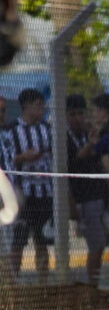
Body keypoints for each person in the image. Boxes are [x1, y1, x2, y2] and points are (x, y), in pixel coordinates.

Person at [1, 88, 52, 282]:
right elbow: (6, 160)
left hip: (44, 193)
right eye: (38, 105)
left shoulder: (47, 129)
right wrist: (23, 157)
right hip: (23, 193)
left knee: (42, 240)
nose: (42, 108)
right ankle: (14, 281)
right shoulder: (10, 130)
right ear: (26, 106)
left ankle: (44, 283)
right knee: (19, 239)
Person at [66, 94, 109, 285]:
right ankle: (90, 284)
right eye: (73, 114)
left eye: (81, 113)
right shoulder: (63, 137)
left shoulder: (88, 132)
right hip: (82, 197)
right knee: (96, 244)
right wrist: (90, 144)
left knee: (99, 244)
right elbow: (71, 162)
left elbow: (98, 156)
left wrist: (94, 138)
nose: (78, 118)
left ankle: (92, 282)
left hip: (98, 194)